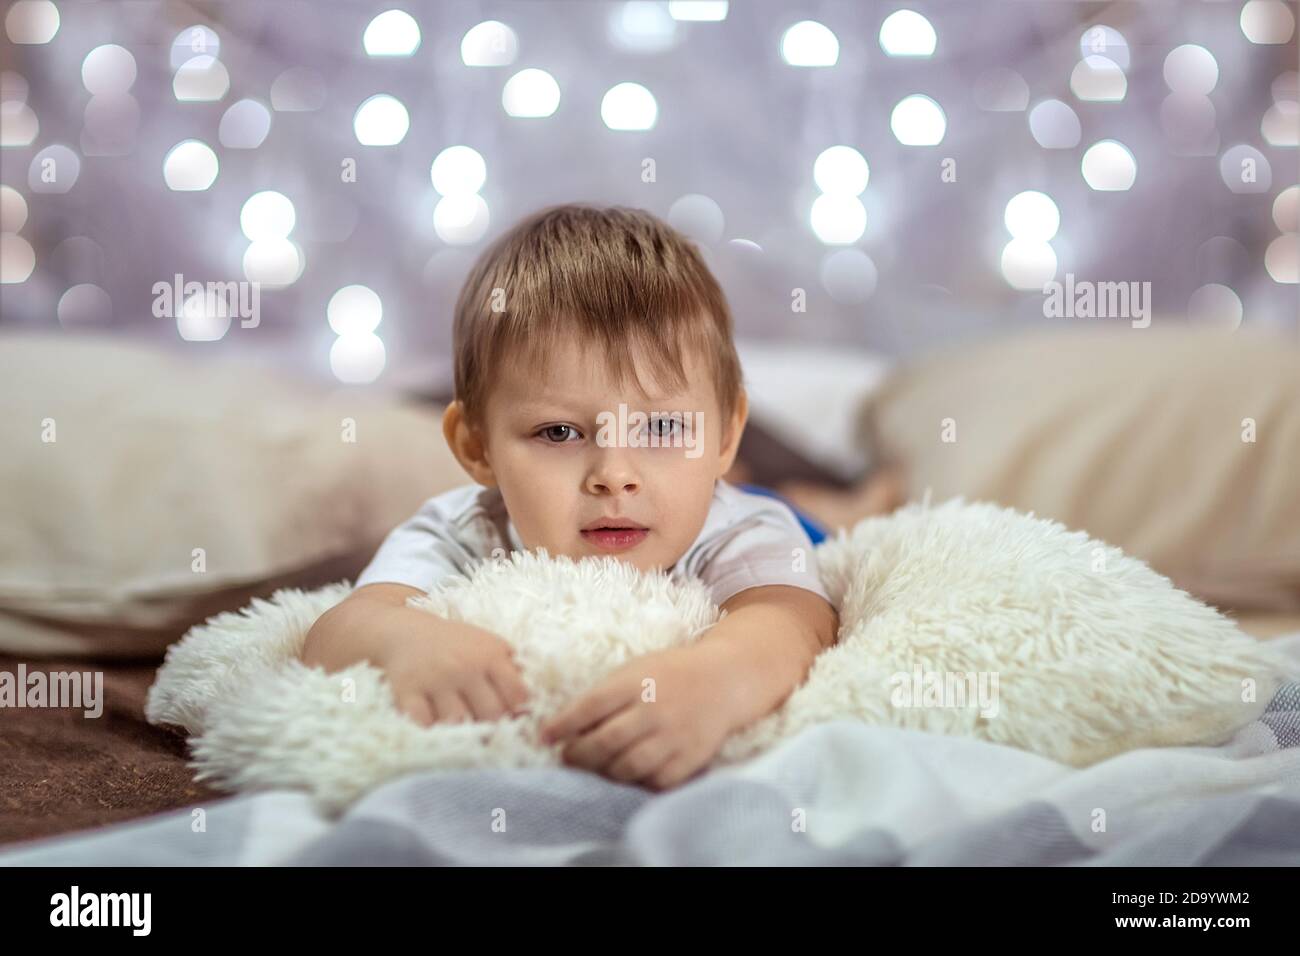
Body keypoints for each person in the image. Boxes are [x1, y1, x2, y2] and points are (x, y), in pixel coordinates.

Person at [302, 203, 839, 791]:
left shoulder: (742, 530)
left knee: (813, 516)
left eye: (661, 429)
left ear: (726, 433)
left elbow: (792, 619)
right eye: (559, 432)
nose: (614, 476)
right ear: (476, 447)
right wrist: (402, 640)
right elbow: (341, 627)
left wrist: (720, 675)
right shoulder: (461, 530)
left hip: (773, 509)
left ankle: (844, 500)